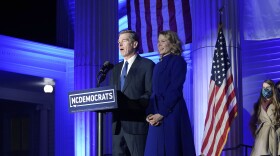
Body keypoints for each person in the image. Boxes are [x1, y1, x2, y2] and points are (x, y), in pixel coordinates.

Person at [144, 30, 196, 156]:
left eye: (163, 41)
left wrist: (161, 113)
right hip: (156, 115)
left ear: (172, 44)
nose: (159, 45)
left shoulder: (178, 62)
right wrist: (150, 113)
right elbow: (153, 92)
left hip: (171, 113)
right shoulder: (157, 66)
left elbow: (175, 89)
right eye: (158, 42)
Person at [110, 30, 155, 156]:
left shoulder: (147, 65)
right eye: (119, 42)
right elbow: (111, 95)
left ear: (135, 44)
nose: (120, 45)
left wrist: (133, 104)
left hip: (136, 125)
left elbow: (149, 92)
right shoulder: (115, 69)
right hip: (118, 127)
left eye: (124, 41)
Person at [249, 79, 280, 156]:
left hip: (275, 138)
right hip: (262, 139)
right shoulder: (258, 105)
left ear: (272, 88)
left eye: (267, 87)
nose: (265, 90)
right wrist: (257, 134)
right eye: (263, 87)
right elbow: (252, 123)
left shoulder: (277, 103)